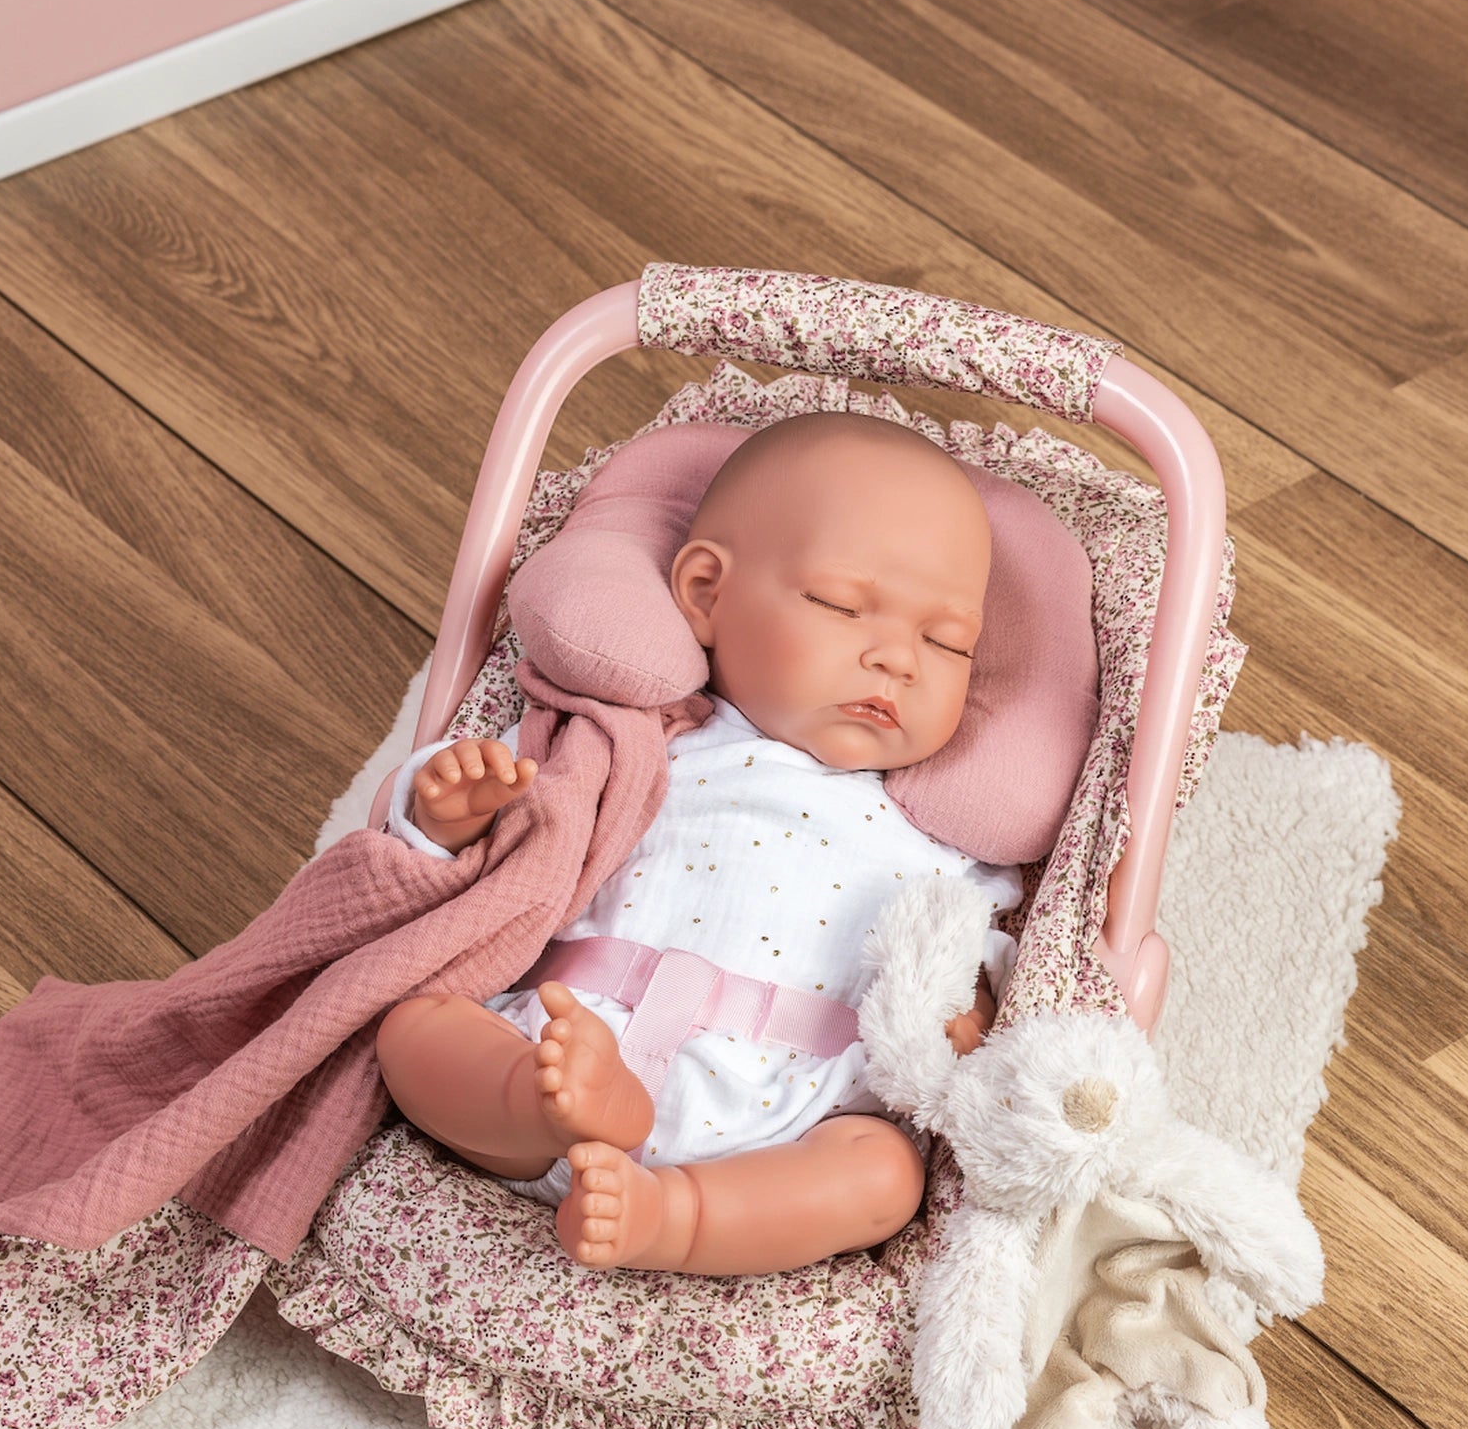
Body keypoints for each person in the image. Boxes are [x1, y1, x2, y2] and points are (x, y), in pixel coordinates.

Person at [374, 413, 1019, 1274]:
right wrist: (452, 816)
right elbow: (497, 868)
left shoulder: (945, 843)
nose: (898, 660)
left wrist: (967, 1017)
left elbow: (970, 972)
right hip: (564, 1035)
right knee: (413, 1028)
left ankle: (669, 1217)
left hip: (786, 1112)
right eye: (839, 604)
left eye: (947, 643)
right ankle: (535, 1109)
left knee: (884, 1174)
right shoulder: (637, 743)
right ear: (708, 594)